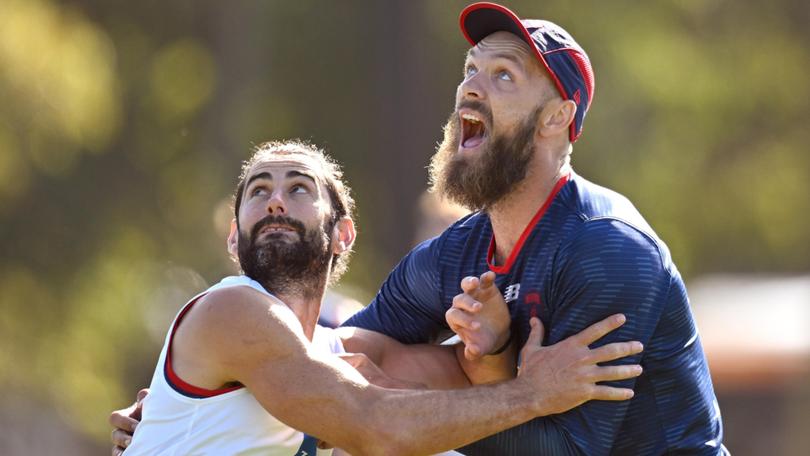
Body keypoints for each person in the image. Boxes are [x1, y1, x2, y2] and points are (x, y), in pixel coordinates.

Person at [339, 2, 728, 455]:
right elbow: (344, 352)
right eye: (471, 69)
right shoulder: (455, 252)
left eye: (503, 74)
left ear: (555, 118)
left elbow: (568, 452)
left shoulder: (608, 247)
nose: (470, 87)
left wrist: (396, 405)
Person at [113, 140, 643, 455]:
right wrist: (536, 395)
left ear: (343, 234)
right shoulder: (232, 310)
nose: (275, 200)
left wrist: (495, 345)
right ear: (234, 238)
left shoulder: (342, 352)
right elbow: (376, 424)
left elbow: (462, 392)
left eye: (299, 188)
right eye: (258, 191)